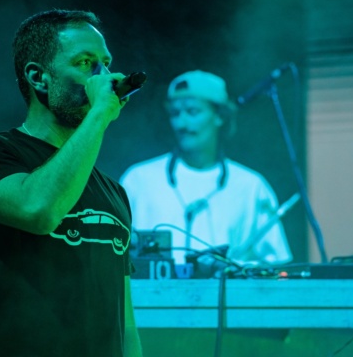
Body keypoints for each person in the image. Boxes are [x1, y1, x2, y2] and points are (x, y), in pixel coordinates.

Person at [0, 9, 142, 357]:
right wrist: (100, 113)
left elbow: (125, 322)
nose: (105, 77)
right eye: (86, 63)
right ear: (39, 77)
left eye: (106, 63)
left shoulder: (114, 193)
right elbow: (38, 211)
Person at [120, 70, 293, 268]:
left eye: (192, 111)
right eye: (175, 113)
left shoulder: (251, 187)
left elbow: (276, 268)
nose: (181, 124)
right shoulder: (138, 180)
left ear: (219, 116)